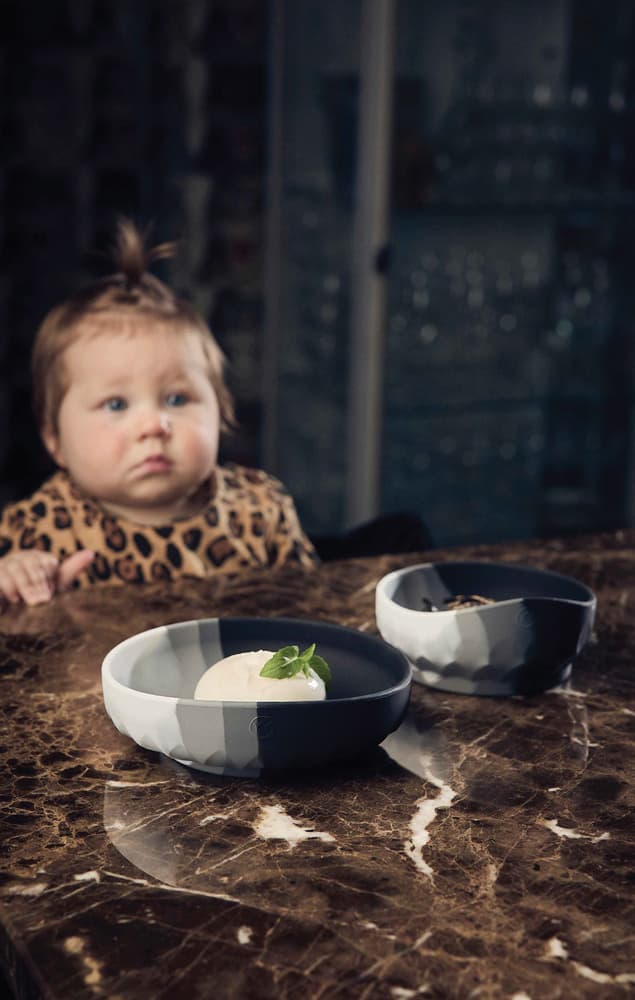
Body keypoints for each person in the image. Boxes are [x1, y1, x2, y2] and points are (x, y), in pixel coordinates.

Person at [0, 219, 317, 607]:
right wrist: (16, 589)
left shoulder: (261, 509)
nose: (153, 425)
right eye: (116, 404)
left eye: (177, 399)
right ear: (54, 440)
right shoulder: (32, 531)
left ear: (220, 410)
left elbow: (314, 613)